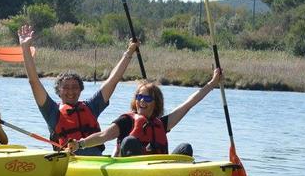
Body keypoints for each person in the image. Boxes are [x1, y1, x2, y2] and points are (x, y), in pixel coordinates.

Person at [18, 23, 139, 155]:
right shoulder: (51, 111)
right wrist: (25, 48)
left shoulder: (91, 107)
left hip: (96, 161)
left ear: (81, 90)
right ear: (59, 91)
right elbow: (34, 82)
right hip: (71, 162)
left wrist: (129, 51)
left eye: (75, 87)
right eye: (66, 88)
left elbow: (113, 80)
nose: (71, 91)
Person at [68, 68, 222, 157]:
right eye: (139, 97)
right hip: (129, 170)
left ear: (156, 103)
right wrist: (80, 144)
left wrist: (213, 83)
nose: (142, 101)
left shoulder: (161, 123)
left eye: (147, 98)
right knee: (130, 142)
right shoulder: (126, 120)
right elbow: (103, 136)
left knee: (185, 148)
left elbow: (190, 103)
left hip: (157, 170)